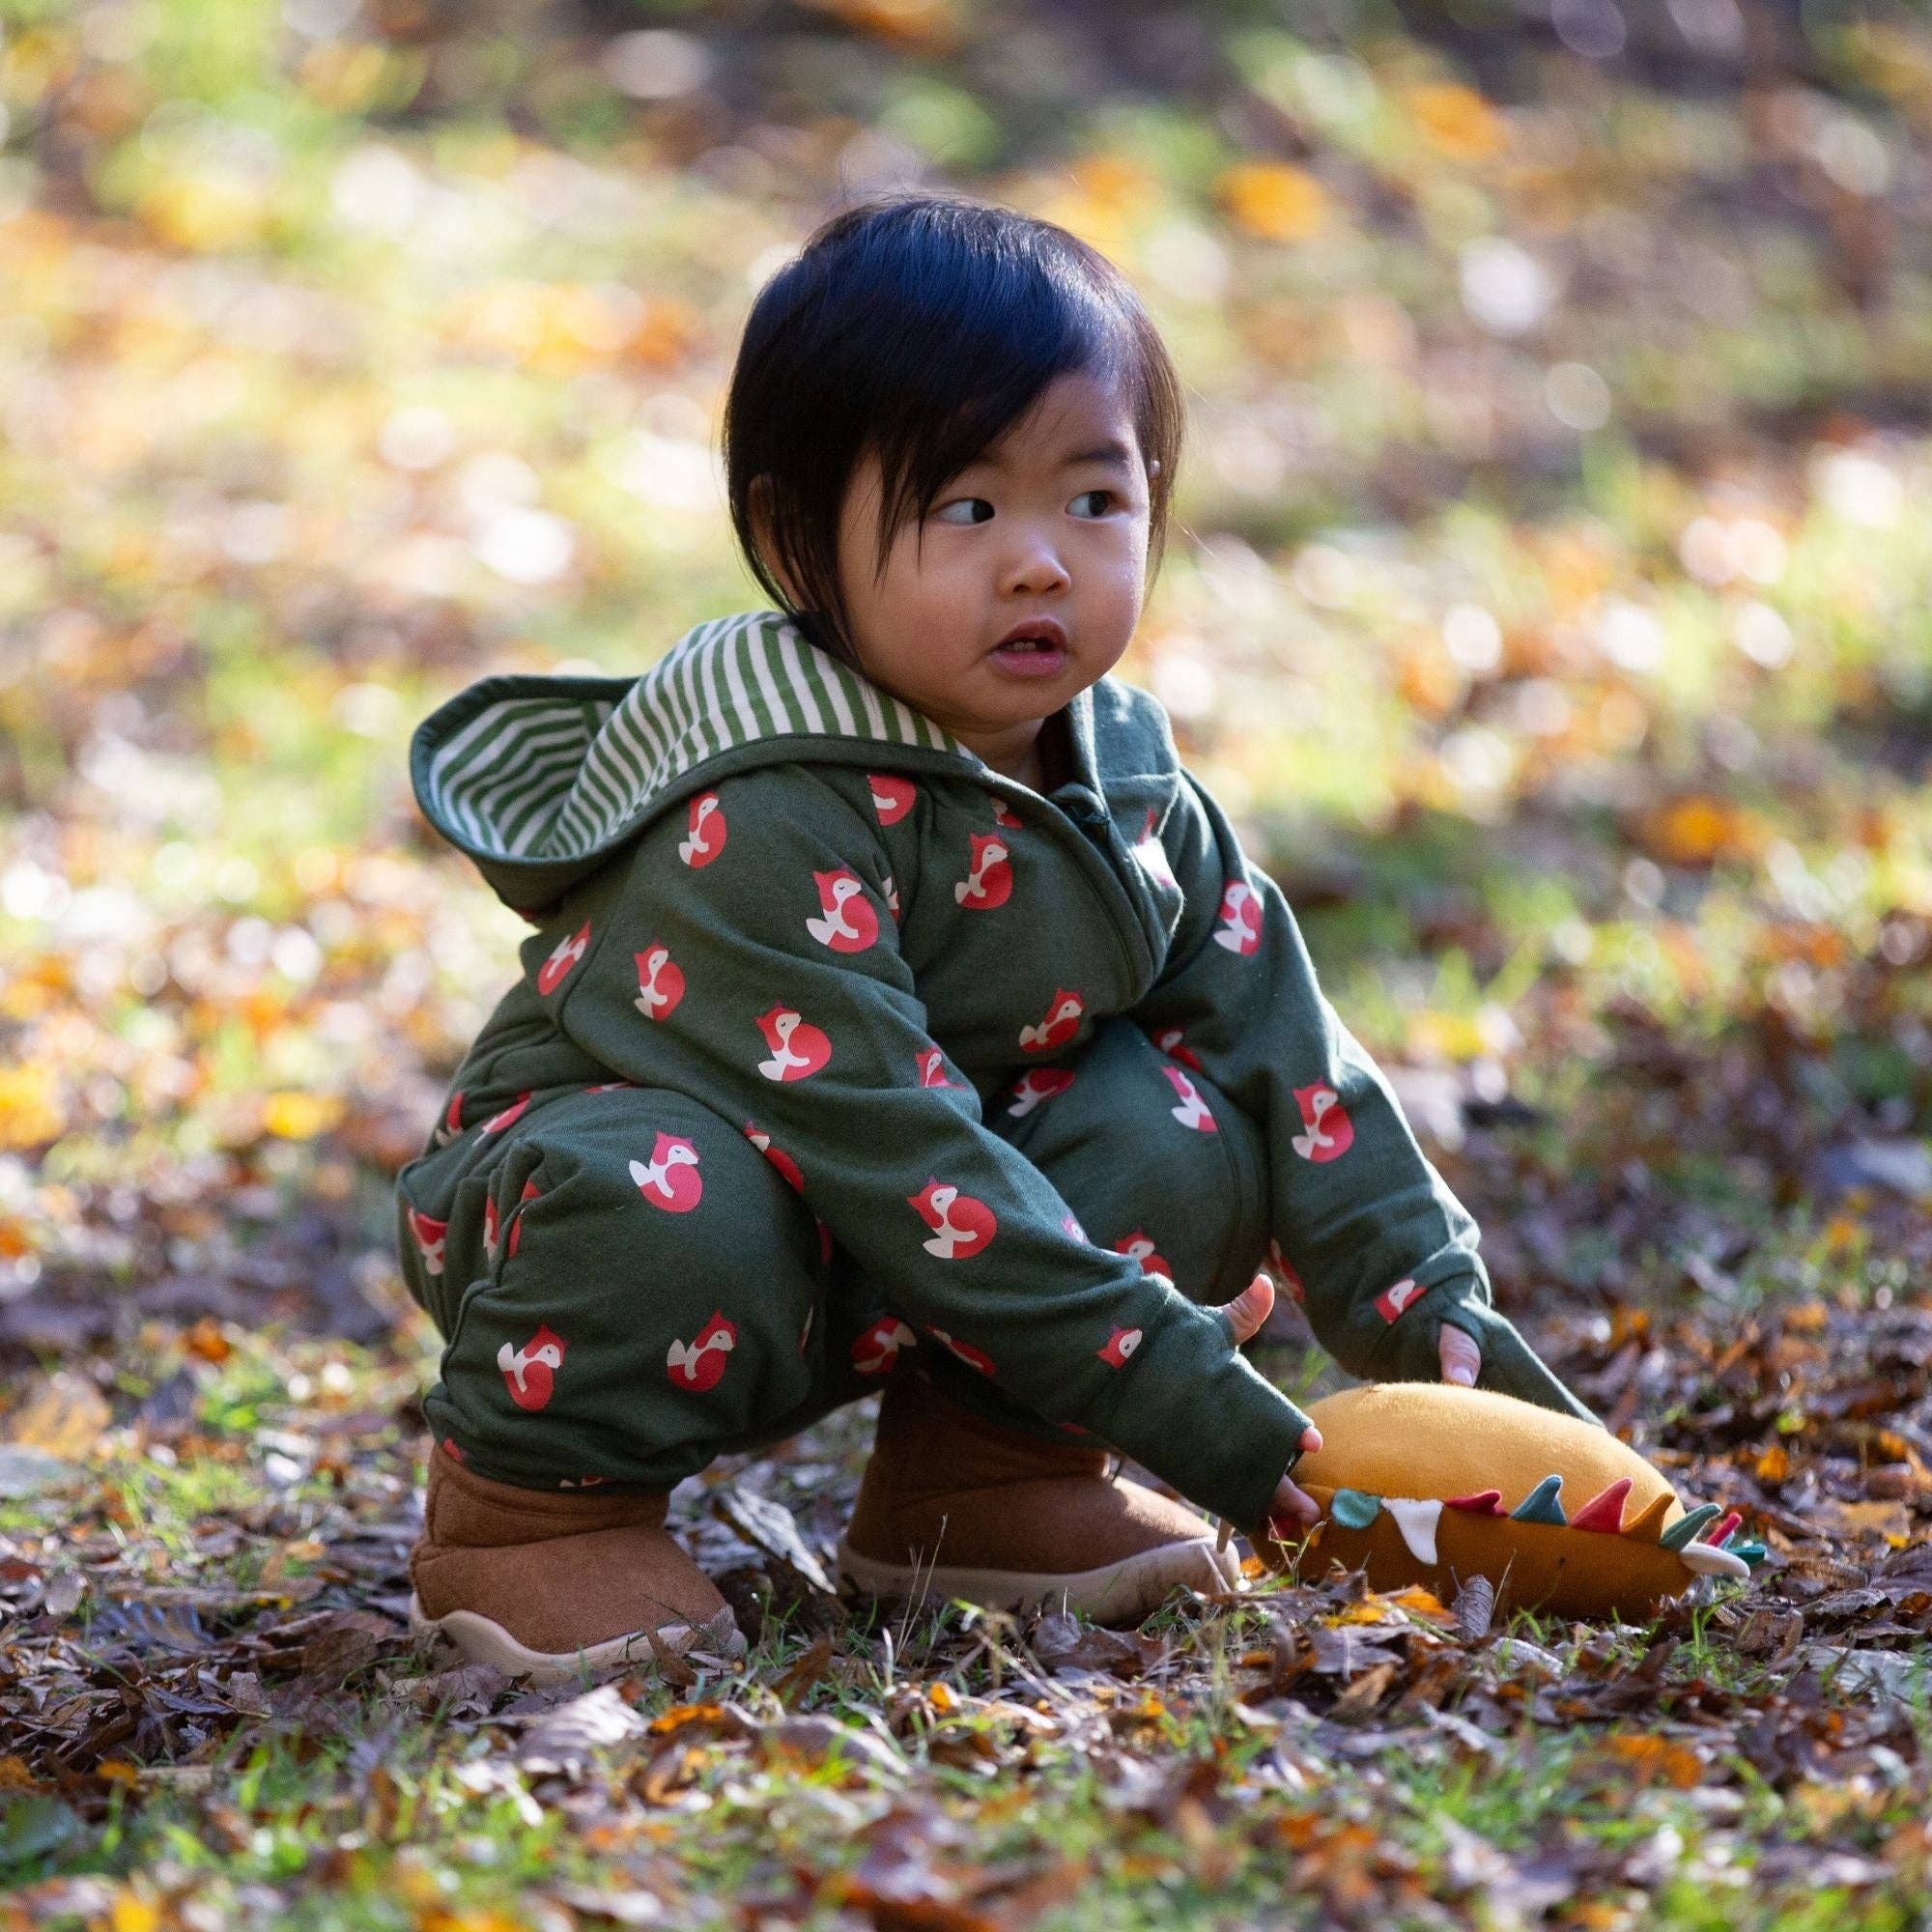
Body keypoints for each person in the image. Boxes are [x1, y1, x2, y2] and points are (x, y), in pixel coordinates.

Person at [395, 189, 1601, 1682]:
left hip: (926, 1235)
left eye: (1095, 501)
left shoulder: (1123, 791)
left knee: (1178, 1127)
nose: (1041, 562)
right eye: (967, 509)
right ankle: (527, 1515)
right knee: (674, 1194)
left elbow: (1297, 1065)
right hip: (646, 1216)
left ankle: (986, 1477)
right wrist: (1191, 1398)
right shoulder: (760, 814)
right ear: (794, 536)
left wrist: (1450, 1335)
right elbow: (898, 1148)